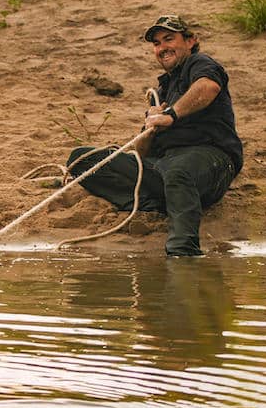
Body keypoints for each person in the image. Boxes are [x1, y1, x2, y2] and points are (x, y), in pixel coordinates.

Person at [66, 15, 243, 256]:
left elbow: (208, 88)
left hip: (211, 160)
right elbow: (141, 153)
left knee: (179, 173)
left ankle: (183, 253)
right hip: (162, 167)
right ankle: (162, 203)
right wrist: (151, 123)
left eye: (169, 39)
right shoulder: (160, 91)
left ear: (191, 41)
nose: (162, 48)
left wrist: (171, 115)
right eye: (157, 43)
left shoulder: (200, 64)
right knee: (82, 159)